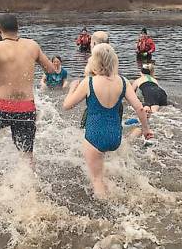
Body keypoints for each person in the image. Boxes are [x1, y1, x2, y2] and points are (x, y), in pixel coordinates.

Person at [63, 44, 153, 198]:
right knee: (104, 170)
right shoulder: (123, 82)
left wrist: (72, 88)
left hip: (94, 136)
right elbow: (139, 108)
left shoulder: (89, 82)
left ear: (95, 61)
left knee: (96, 179)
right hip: (115, 136)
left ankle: (105, 209)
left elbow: (67, 106)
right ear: (113, 60)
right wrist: (146, 130)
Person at [0, 15, 55, 167]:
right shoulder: (32, 45)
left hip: (3, 108)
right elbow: (51, 70)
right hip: (27, 109)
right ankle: (31, 187)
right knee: (27, 156)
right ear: (17, 29)